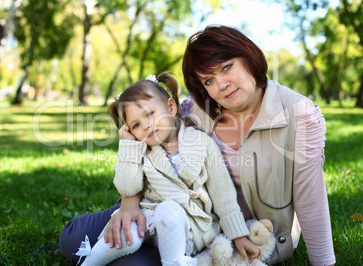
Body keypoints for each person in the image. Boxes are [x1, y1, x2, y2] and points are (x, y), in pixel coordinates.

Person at [60, 25, 336, 266]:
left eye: (227, 67)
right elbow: (150, 139)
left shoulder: (298, 114)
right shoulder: (195, 110)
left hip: (211, 233)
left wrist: (323, 262)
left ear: (248, 57)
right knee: (72, 238)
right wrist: (130, 204)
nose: (222, 85)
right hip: (157, 210)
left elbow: (310, 197)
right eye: (208, 80)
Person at [69, 72, 263, 265]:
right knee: (129, 235)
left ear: (171, 107)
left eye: (150, 114)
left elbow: (224, 197)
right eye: (136, 125)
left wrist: (238, 235)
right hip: (149, 222)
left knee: (170, 209)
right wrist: (129, 146)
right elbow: (127, 188)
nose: (146, 125)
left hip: (189, 231)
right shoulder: (141, 151)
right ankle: (89, 262)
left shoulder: (202, 143)